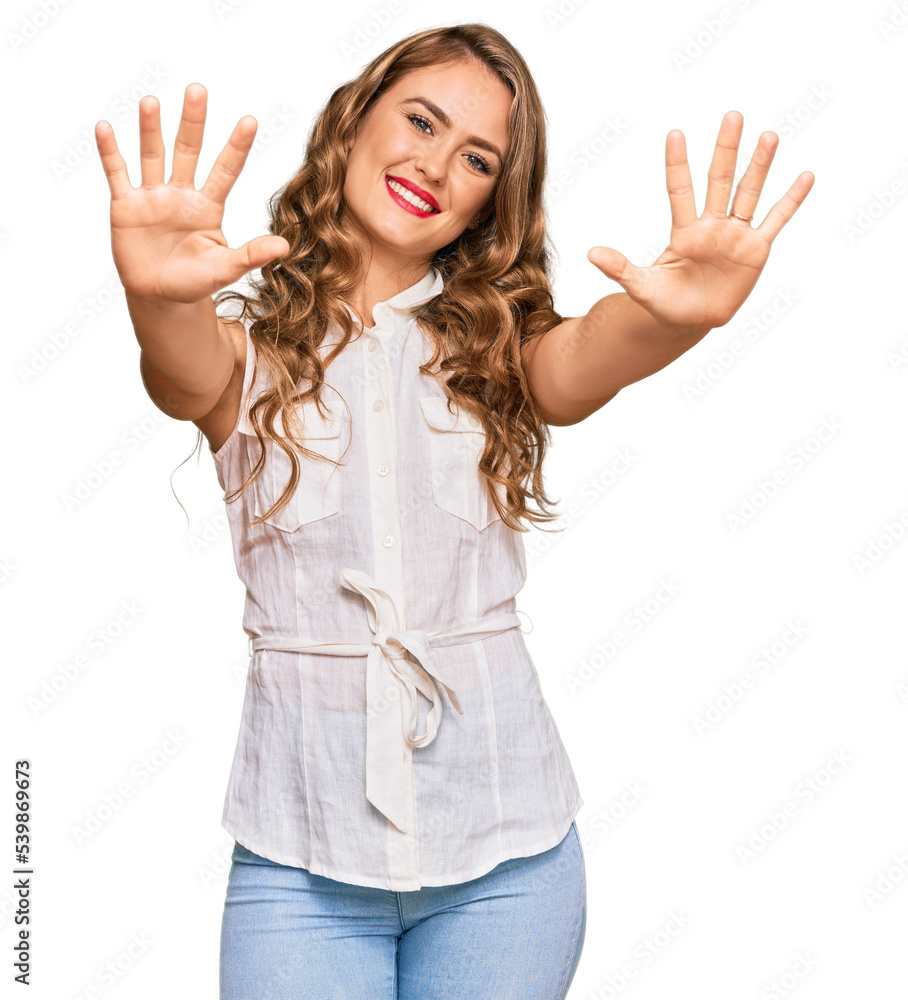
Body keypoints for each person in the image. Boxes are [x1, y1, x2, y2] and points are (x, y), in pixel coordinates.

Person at [94, 22, 813, 1000]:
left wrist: (672, 314)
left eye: (475, 157)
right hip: (297, 857)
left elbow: (595, 349)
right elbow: (179, 367)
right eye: (419, 121)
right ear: (354, 121)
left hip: (508, 864)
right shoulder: (243, 362)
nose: (433, 163)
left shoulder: (504, 358)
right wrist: (156, 301)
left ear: (489, 200)